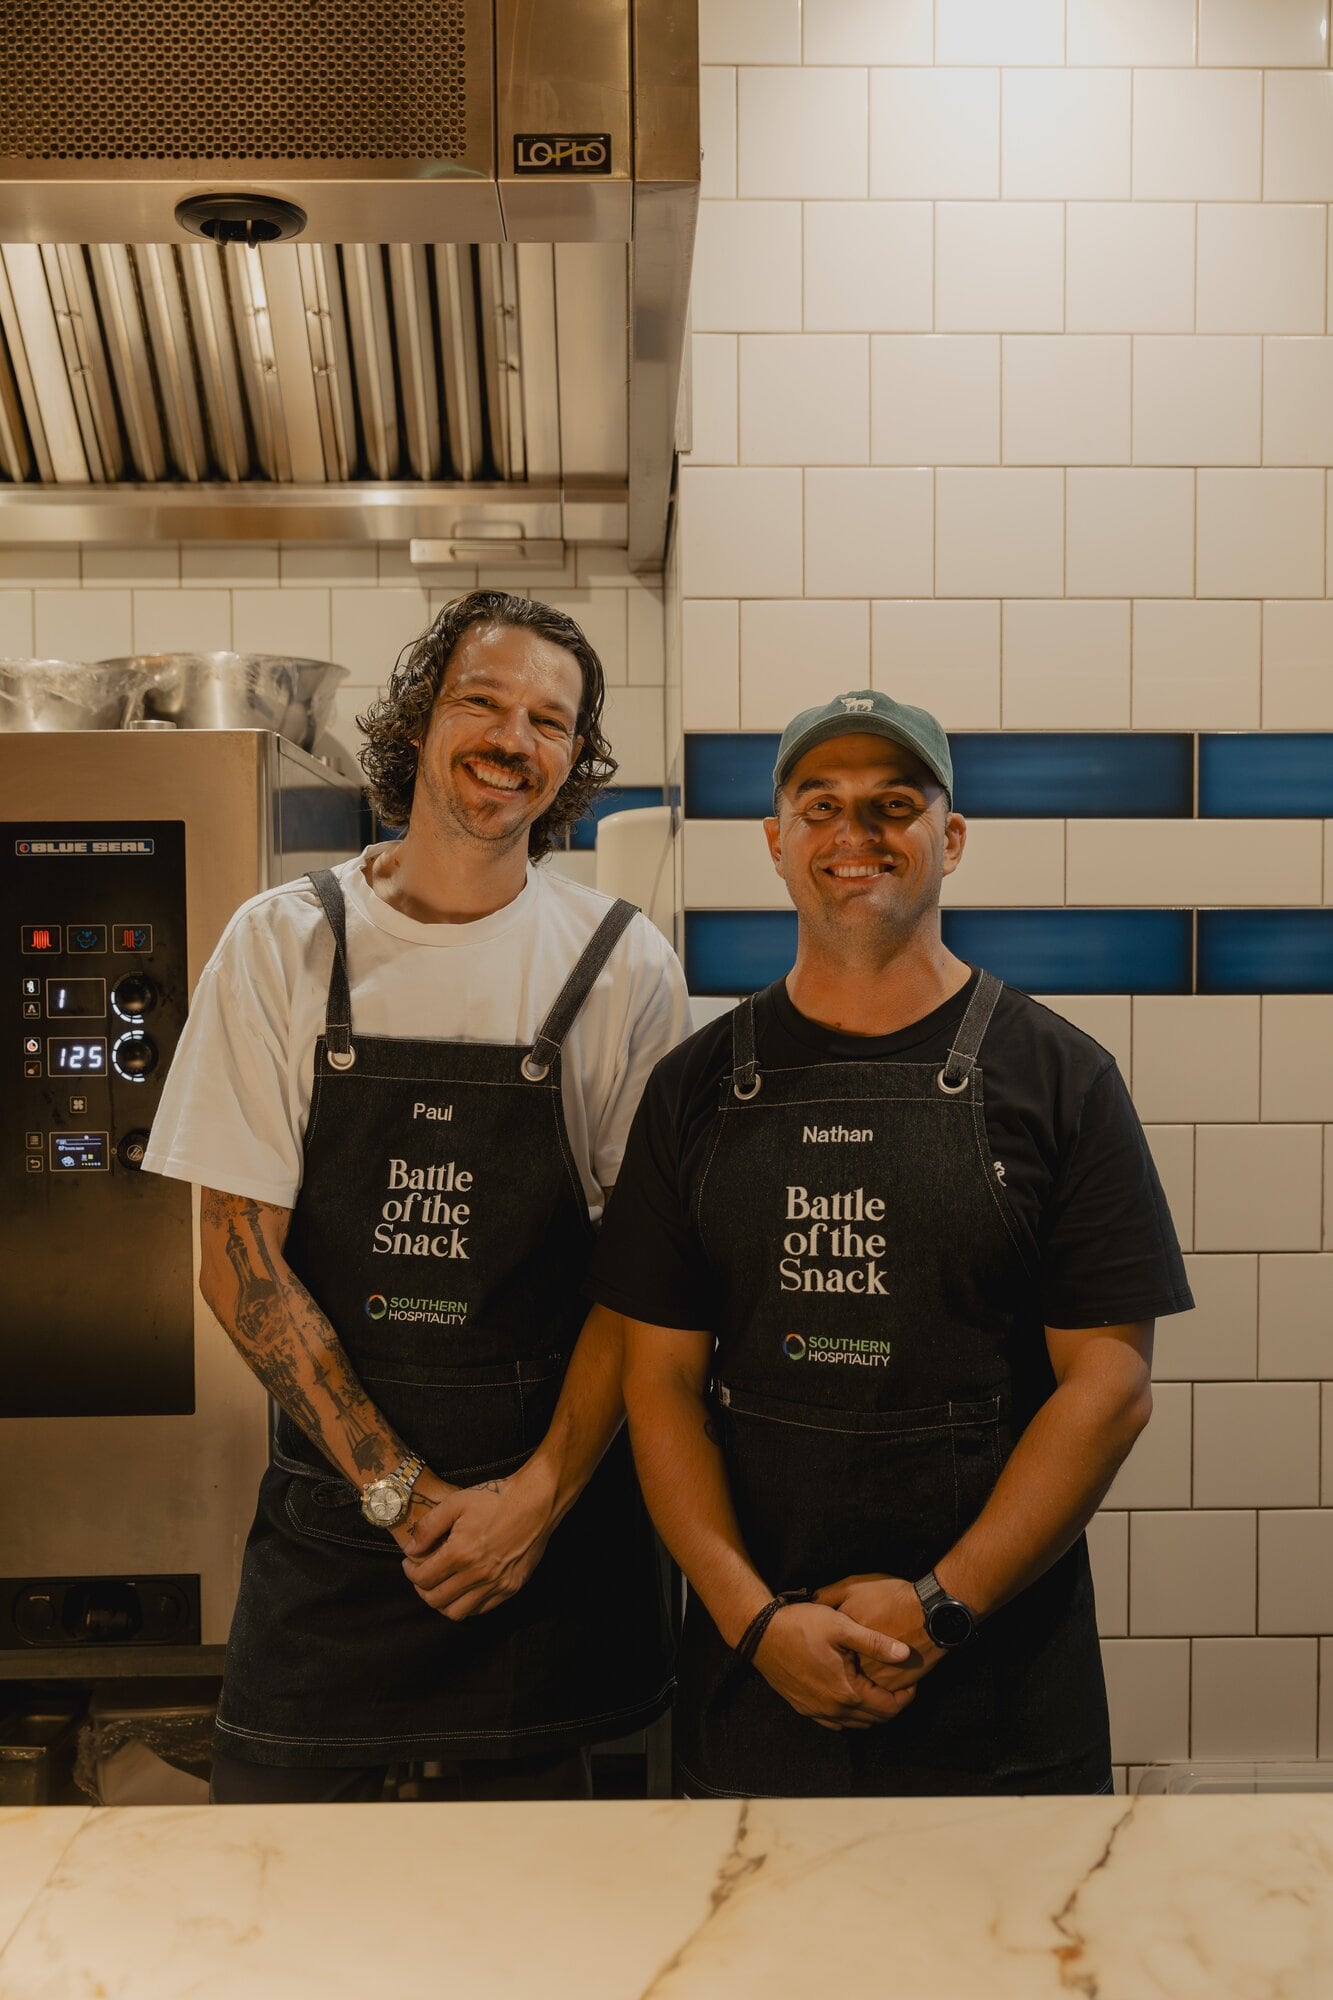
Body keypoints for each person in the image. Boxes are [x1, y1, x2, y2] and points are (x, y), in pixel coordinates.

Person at [590, 688, 1193, 1799]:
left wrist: (940, 1602)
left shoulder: (1061, 1080)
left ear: (949, 838)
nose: (853, 834)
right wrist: (751, 1618)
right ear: (776, 845)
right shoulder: (694, 1089)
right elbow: (659, 1380)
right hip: (754, 1685)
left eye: (893, 804)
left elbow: (1108, 1387)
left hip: (995, 1691)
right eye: (820, 805)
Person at [144, 589, 690, 1803]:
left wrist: (532, 1502)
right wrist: (401, 1494)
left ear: (574, 760)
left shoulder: (621, 966)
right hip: (340, 1558)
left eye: (550, 721)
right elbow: (238, 1261)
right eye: (482, 701)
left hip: (555, 1567)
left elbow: (647, 1279)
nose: (512, 738)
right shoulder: (284, 944)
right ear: (419, 718)